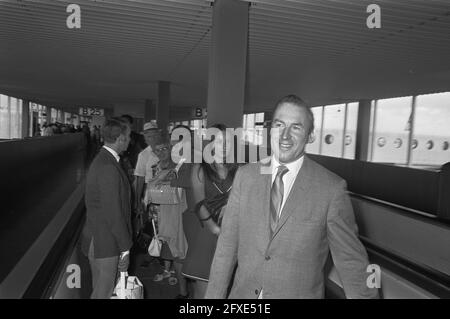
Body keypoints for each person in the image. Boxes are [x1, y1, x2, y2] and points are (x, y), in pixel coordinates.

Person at [205, 95, 379, 299]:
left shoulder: (331, 189)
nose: (285, 136)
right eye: (279, 125)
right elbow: (226, 249)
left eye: (296, 127)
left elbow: (353, 263)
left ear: (310, 135)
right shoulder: (246, 177)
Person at [182, 124, 239, 299]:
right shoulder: (200, 169)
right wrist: (216, 230)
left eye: (227, 141)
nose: (224, 145)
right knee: (205, 288)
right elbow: (199, 205)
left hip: (232, 233)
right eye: (219, 141)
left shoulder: (237, 169)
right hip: (208, 233)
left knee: (225, 287)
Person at [81, 118, 133, 299]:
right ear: (120, 139)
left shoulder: (105, 160)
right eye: (128, 136)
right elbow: (114, 213)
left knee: (102, 290)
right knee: (103, 292)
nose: (130, 140)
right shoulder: (108, 167)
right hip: (105, 241)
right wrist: (125, 246)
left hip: (101, 237)